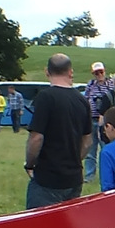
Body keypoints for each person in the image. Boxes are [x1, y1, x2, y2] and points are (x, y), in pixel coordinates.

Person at [25, 53, 92, 210]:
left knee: (39, 227)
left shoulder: (45, 97)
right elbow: (88, 140)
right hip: (74, 178)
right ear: (70, 72)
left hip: (47, 178)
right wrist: (75, 159)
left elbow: (36, 138)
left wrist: (30, 163)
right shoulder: (82, 100)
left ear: (47, 72)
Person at [81, 62, 112, 178]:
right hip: (91, 119)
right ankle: (89, 175)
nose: (99, 75)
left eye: (101, 72)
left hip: (105, 120)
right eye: (96, 73)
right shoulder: (91, 84)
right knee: (90, 149)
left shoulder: (110, 84)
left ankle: (106, 174)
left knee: (105, 148)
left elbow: (111, 98)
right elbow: (86, 99)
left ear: (104, 71)